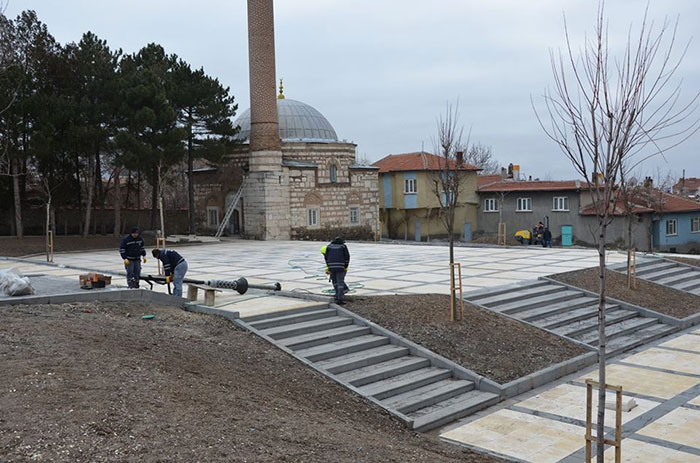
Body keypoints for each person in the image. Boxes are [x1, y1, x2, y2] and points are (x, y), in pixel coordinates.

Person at [323, 236, 350, 305]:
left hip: (331, 267)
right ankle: (340, 299)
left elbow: (326, 257)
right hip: (340, 267)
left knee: (334, 281)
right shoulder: (343, 246)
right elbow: (347, 256)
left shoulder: (329, 246)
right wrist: (345, 265)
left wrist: (328, 266)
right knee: (340, 282)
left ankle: (337, 295)